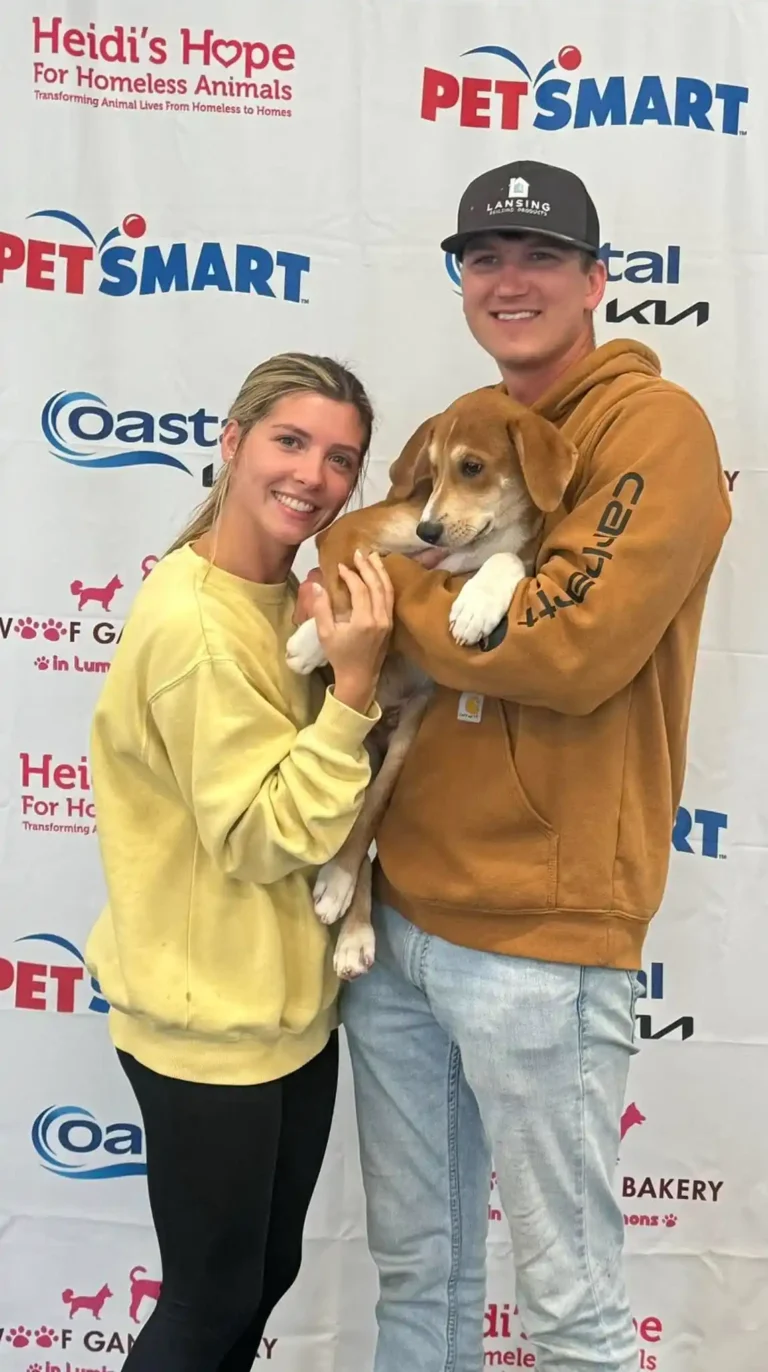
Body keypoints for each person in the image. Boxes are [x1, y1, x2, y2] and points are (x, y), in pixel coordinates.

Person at [297, 160, 732, 1371]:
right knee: (419, 1284)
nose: (510, 280)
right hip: (396, 918)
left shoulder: (655, 429)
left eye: (541, 256)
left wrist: (388, 609)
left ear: (597, 279)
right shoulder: (466, 425)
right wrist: (388, 574)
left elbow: (561, 646)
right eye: (484, 257)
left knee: (571, 1311)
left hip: (540, 932)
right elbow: (355, 534)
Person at [84, 352, 395, 1372]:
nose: (314, 474)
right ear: (231, 441)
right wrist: (353, 693)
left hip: (284, 1016)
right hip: (206, 1025)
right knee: (208, 1300)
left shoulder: (286, 601)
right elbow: (262, 835)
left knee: (260, 1277)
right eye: (290, 441)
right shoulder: (196, 625)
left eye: (340, 458)